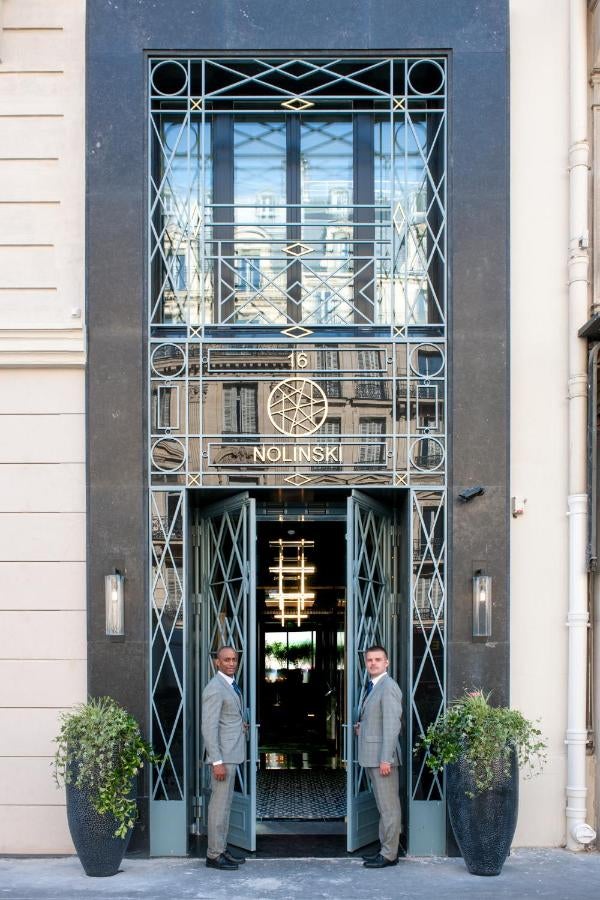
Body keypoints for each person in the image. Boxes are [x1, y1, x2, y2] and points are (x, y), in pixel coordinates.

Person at [355, 644, 403, 868]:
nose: (373, 663)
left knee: (389, 808)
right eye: (369, 660)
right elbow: (377, 719)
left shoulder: (388, 687)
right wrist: (362, 728)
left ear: (387, 663)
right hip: (373, 756)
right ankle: (386, 850)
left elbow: (392, 726)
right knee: (384, 808)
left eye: (377, 659)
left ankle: (389, 854)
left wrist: (386, 759)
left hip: (382, 760)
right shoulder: (374, 686)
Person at [201, 645, 247, 870]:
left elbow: (227, 717)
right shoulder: (215, 688)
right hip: (223, 759)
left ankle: (221, 848)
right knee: (218, 806)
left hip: (231, 754)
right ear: (217, 663)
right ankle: (213, 854)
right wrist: (216, 761)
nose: (231, 663)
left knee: (225, 805)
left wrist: (241, 725)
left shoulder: (229, 685)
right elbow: (208, 728)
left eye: (234, 659)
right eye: (226, 660)